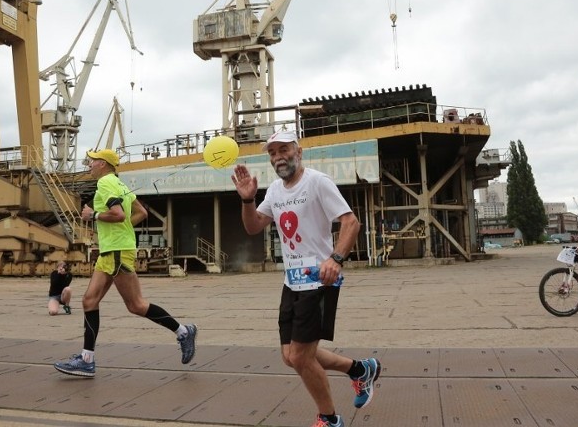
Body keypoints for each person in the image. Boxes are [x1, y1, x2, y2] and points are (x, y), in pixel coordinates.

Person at [232, 131, 380, 427]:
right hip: (292, 283)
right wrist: (248, 200)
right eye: (272, 152)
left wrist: (335, 259)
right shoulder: (274, 190)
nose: (278, 157)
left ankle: (329, 419)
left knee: (301, 357)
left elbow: (351, 222)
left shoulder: (317, 182)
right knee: (291, 356)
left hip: (319, 281)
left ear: (298, 151)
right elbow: (253, 227)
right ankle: (360, 370)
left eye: (283, 149)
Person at [54, 149, 197, 378]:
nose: (89, 164)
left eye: (92, 160)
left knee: (136, 305)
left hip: (118, 251)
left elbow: (118, 215)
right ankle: (86, 360)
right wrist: (122, 230)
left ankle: (183, 332)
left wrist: (94, 216)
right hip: (111, 250)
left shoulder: (105, 184)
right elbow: (141, 212)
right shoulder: (121, 184)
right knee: (89, 301)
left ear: (102, 164)